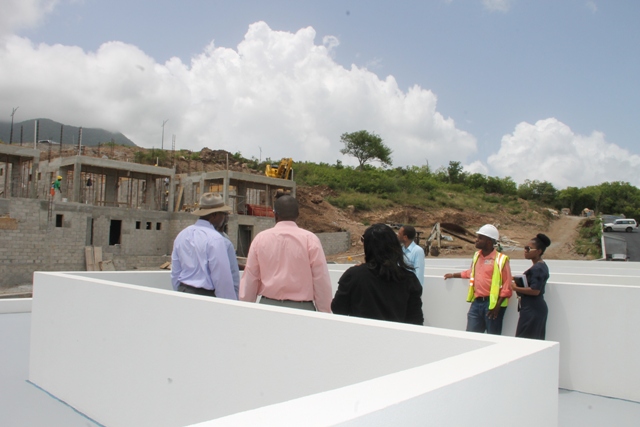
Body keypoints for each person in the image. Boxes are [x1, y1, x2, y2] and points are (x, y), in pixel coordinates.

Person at [239, 195, 332, 312]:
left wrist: (245, 308)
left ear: (275, 214)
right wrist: (325, 312)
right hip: (302, 309)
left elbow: (251, 277)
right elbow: (320, 279)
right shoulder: (310, 239)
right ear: (297, 215)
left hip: (267, 308)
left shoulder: (260, 239)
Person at [332, 223, 424, 325]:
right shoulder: (409, 279)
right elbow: (416, 320)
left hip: (360, 337)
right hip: (396, 338)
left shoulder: (353, 275)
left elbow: (338, 309)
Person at [443, 224, 513, 335]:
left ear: (489, 242)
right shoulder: (476, 255)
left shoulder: (501, 259)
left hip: (492, 304)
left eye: (480, 238)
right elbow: (471, 273)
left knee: (493, 336)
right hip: (477, 302)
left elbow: (507, 286)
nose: (476, 240)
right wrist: (453, 275)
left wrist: (497, 307)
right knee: (471, 335)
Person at [170, 193, 238, 300]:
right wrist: (230, 304)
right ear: (214, 215)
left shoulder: (183, 234)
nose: (224, 218)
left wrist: (179, 292)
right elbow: (221, 278)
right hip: (204, 295)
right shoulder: (215, 238)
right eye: (223, 214)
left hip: (182, 291)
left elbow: (175, 271)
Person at [511, 234, 551, 340]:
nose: (525, 250)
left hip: (533, 309)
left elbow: (535, 291)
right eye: (525, 248)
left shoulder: (538, 268)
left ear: (538, 251)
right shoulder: (539, 266)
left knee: (525, 340)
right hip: (531, 308)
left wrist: (515, 288)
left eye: (528, 248)